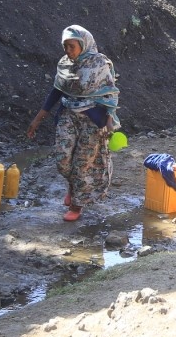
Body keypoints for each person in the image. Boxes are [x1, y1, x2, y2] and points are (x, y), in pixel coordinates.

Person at [27, 25, 120, 221]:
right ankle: (72, 186)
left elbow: (109, 95)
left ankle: (77, 206)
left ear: (83, 44)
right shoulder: (65, 64)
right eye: (65, 47)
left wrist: (110, 125)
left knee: (82, 163)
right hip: (68, 114)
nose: (68, 52)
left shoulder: (100, 64)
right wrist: (37, 120)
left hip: (93, 120)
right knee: (62, 159)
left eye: (72, 47)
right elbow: (56, 92)